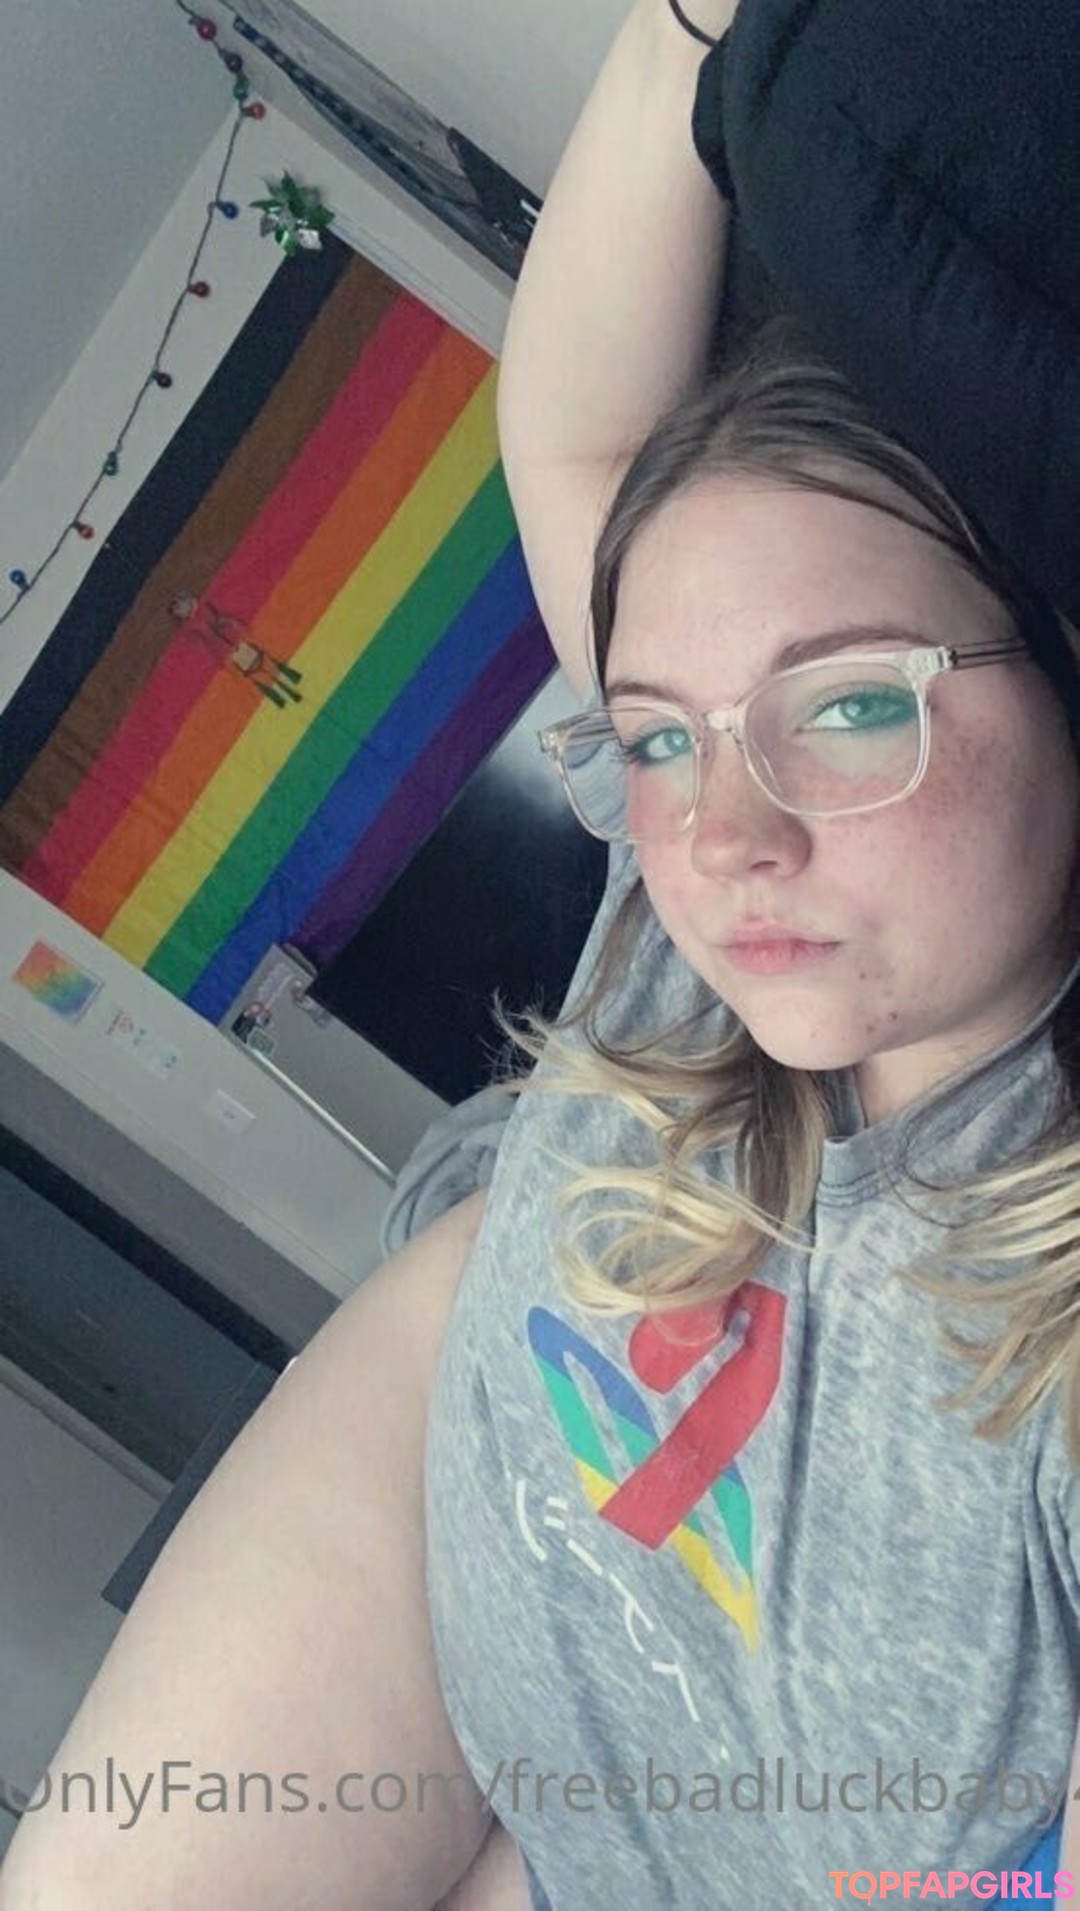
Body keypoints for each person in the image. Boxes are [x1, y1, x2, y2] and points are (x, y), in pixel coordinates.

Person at [1, 3, 1077, 1907]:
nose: (721, 838)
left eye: (846, 705)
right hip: (453, 1564)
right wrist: (685, 31)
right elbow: (571, 430)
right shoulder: (687, 927)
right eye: (656, 737)